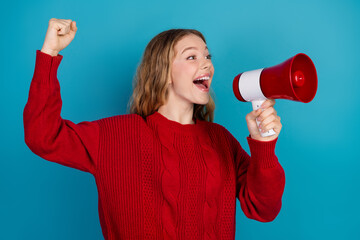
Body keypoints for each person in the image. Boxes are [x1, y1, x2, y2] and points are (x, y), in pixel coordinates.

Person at [23, 18, 285, 240]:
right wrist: (49, 53)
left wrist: (264, 146)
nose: (207, 64)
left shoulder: (221, 140)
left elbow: (263, 209)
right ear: (164, 71)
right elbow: (43, 136)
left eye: (207, 56)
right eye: (192, 57)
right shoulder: (115, 136)